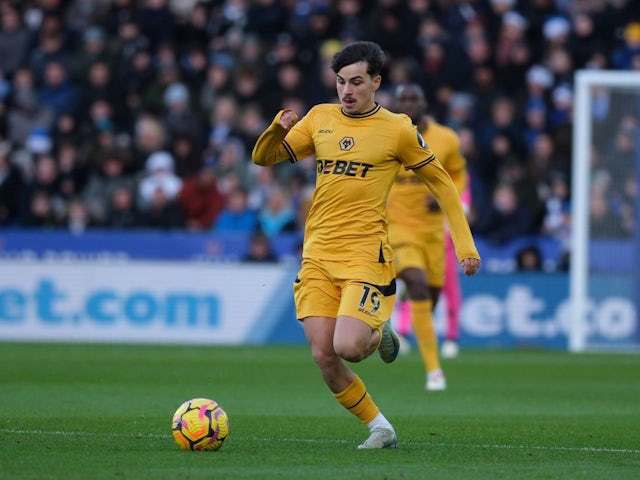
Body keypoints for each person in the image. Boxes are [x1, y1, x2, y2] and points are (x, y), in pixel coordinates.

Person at [252, 41, 480, 450]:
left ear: (376, 82)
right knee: (324, 355)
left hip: (365, 253)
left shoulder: (397, 129)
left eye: (356, 82)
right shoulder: (319, 118)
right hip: (318, 254)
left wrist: (465, 246)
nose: (347, 91)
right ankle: (381, 427)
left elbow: (443, 184)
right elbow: (264, 159)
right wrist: (277, 128)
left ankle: (378, 332)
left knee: (350, 346)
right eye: (340, 82)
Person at [387, 83, 470, 391]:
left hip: (434, 231)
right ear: (396, 104)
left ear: (424, 103)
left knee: (430, 297)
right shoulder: (386, 135)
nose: (408, 103)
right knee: (419, 283)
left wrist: (449, 196)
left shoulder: (447, 139)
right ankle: (435, 372)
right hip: (396, 228)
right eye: (403, 99)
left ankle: (410, 296)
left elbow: (459, 175)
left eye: (414, 98)